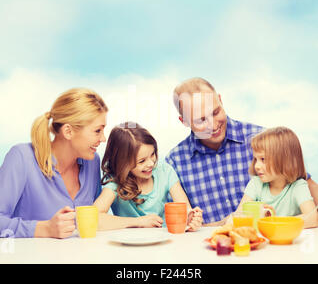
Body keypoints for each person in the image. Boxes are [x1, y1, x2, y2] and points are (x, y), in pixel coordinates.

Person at [166, 77, 318, 225]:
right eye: (201, 120)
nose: (213, 125)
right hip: (211, 246)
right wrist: (221, 225)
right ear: (184, 121)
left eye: (215, 112)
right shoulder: (174, 162)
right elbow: (178, 225)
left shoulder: (261, 140)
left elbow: (302, 181)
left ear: (220, 100)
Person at [0, 88, 108, 238]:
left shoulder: (92, 162)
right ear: (68, 131)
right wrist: (44, 229)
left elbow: (97, 219)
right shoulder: (22, 158)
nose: (103, 139)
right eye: (97, 131)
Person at [94, 122, 203, 231]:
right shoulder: (115, 182)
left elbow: (185, 209)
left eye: (152, 154)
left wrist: (191, 219)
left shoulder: (164, 171)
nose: (151, 163)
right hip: (130, 245)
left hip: (163, 241)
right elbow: (94, 218)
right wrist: (138, 222)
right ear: (123, 163)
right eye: (142, 161)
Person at [235, 127, 318, 229]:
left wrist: (274, 221)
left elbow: (313, 219)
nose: (256, 165)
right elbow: (238, 216)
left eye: (263, 159)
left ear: (285, 161)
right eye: (255, 159)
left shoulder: (298, 186)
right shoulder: (256, 183)